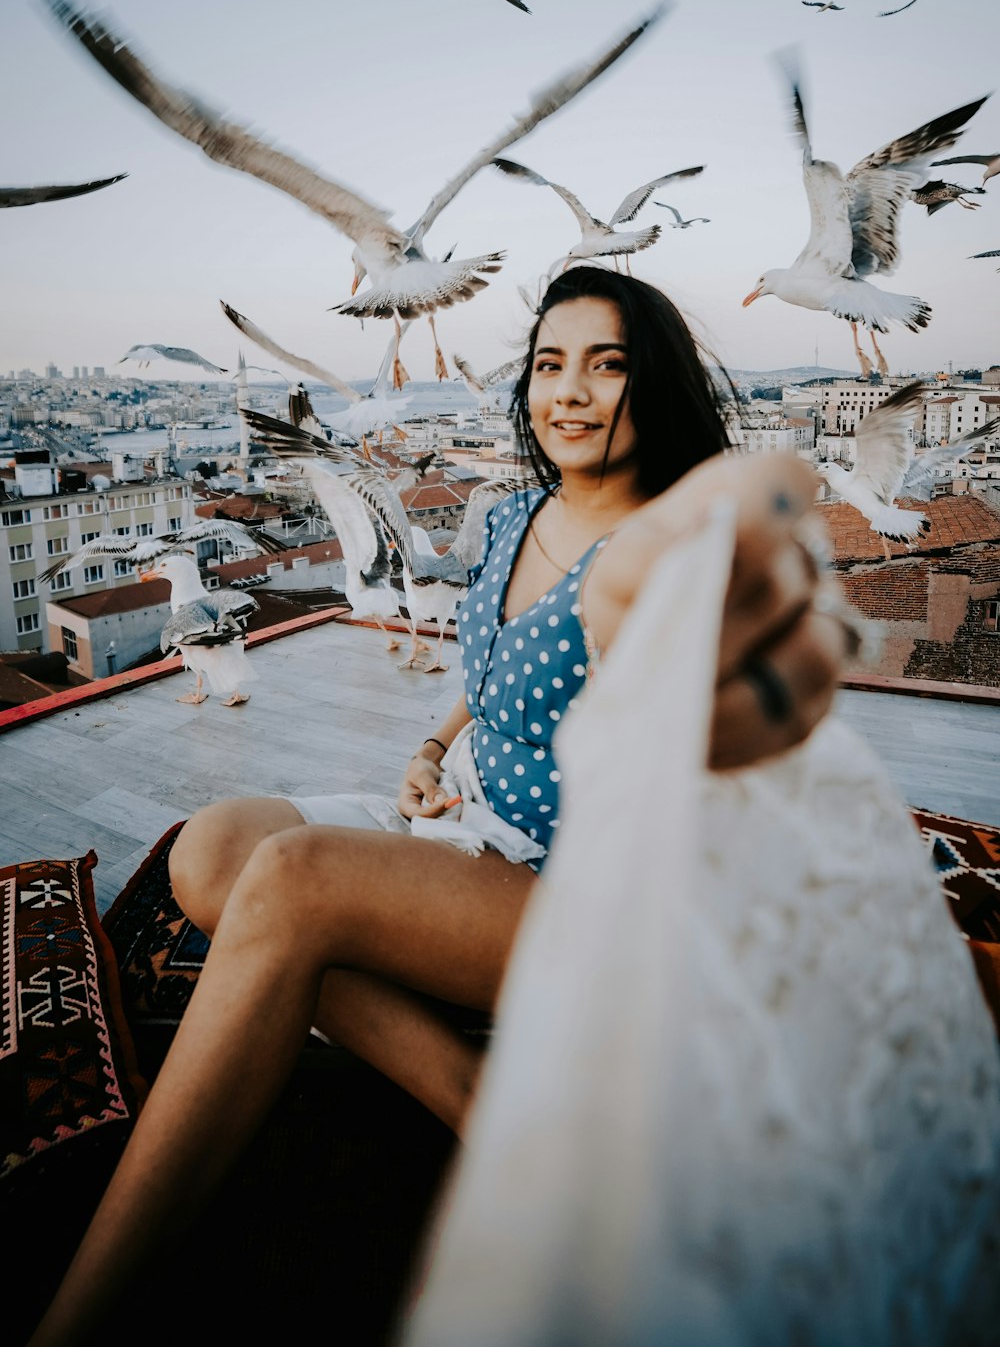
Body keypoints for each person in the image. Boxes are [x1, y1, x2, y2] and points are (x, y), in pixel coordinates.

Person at [29, 266, 855, 1346]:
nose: (570, 390)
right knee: (211, 851)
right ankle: (476, 1095)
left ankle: (75, 1312)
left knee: (290, 879)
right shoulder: (512, 515)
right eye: (549, 363)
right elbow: (498, 664)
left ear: (650, 384)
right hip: (464, 818)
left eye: (605, 364)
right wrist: (431, 745)